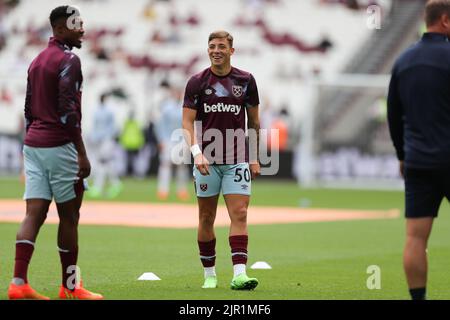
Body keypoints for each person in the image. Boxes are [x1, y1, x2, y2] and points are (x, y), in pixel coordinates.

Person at [8, 6, 103, 300]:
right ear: (60, 30)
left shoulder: (36, 60)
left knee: (33, 213)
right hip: (60, 145)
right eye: (77, 25)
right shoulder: (69, 60)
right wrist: (82, 154)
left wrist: (31, 142)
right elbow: (68, 111)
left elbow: (27, 108)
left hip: (33, 144)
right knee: (69, 217)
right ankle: (70, 287)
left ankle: (18, 283)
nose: (82, 30)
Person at [182, 30, 261, 290]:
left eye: (222, 46)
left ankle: (239, 274)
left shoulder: (246, 80)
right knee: (206, 217)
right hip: (206, 161)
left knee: (239, 213)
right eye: (212, 46)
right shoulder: (196, 82)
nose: (216, 50)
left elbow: (255, 121)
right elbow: (187, 122)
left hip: (237, 159)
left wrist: (255, 156)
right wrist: (196, 152)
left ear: (231, 50)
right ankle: (210, 274)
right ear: (208, 50)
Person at [387, 0, 450, 301]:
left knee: (415, 237)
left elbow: (392, 114)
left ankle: (418, 299)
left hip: (418, 161)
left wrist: (402, 154)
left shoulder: (403, 61)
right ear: (446, 21)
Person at [154, 83, 189, 201]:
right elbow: (160, 125)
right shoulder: (166, 107)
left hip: (181, 139)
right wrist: (161, 140)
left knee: (181, 166)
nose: (178, 94)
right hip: (168, 139)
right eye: (176, 92)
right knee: (165, 164)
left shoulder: (185, 107)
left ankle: (182, 190)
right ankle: (163, 190)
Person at [87, 94, 122, 199]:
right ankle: (114, 184)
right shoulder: (99, 111)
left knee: (103, 162)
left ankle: (102, 186)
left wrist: (108, 136)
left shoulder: (107, 112)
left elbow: (112, 126)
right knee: (104, 163)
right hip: (100, 140)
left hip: (106, 140)